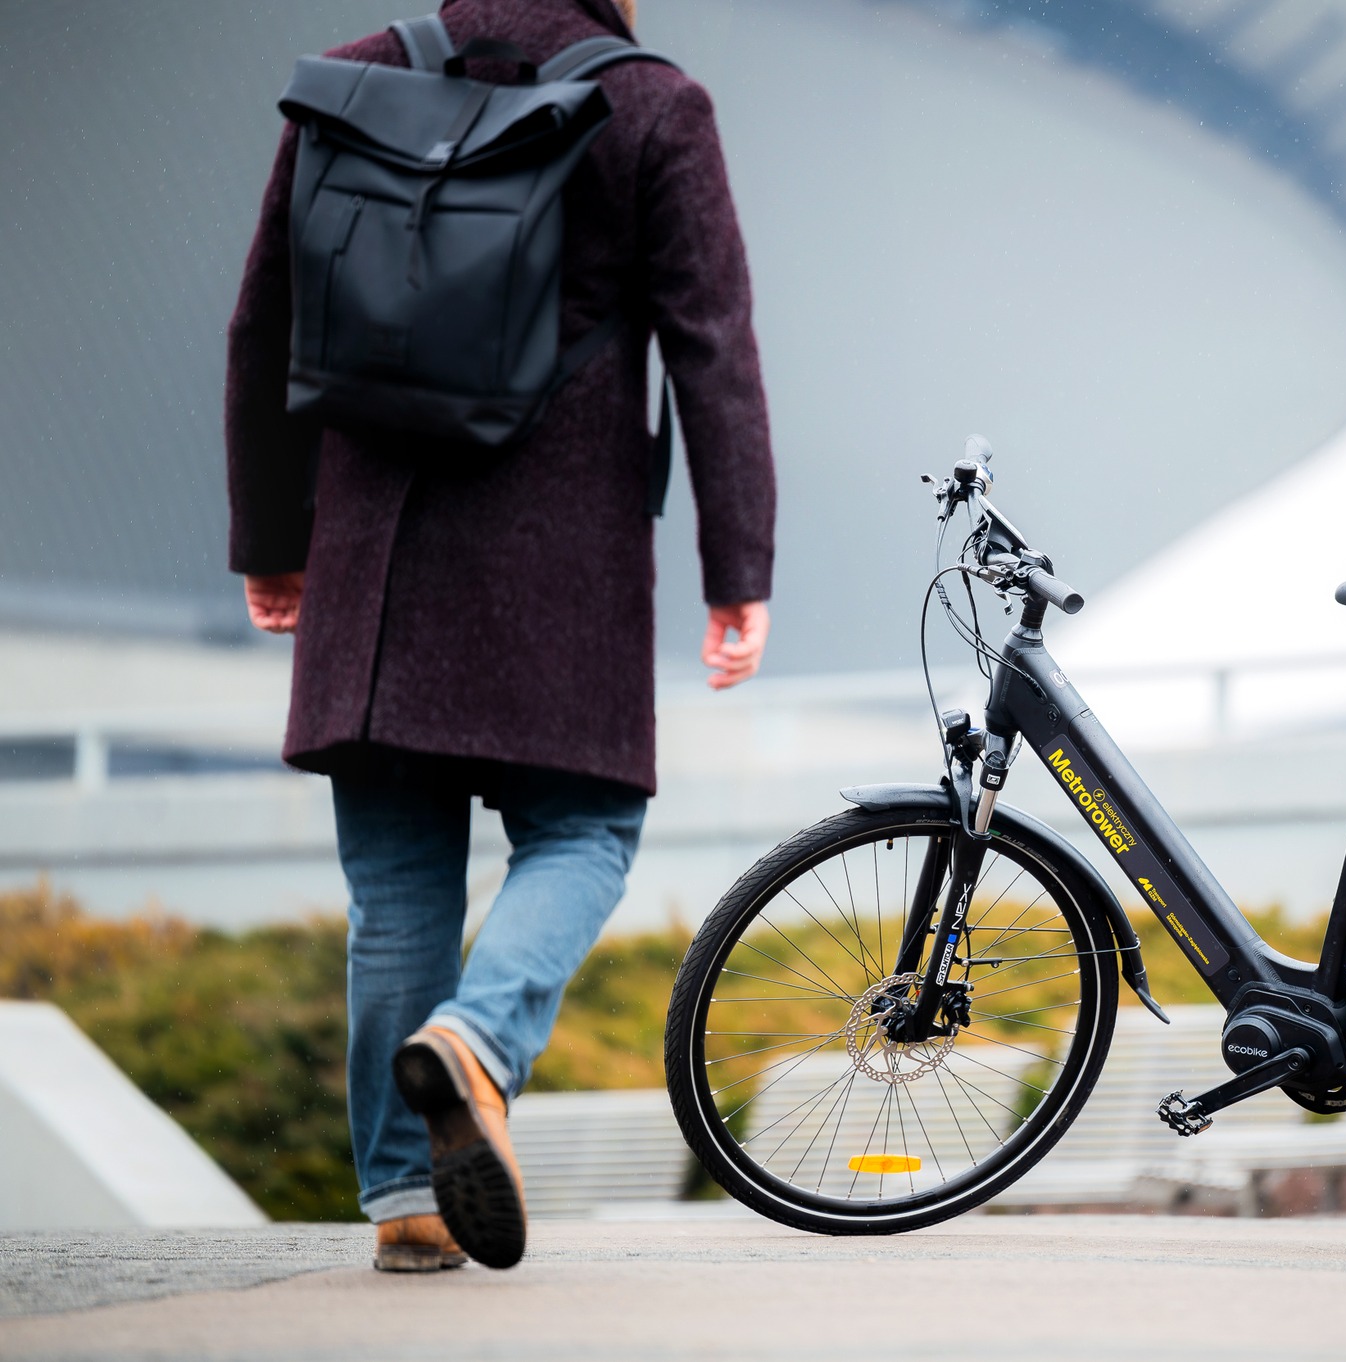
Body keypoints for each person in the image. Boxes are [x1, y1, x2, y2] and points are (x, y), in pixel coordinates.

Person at [224, 0, 774, 1271]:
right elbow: (714, 350)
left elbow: (264, 319)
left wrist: (270, 536)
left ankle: (407, 1207)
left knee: (397, 887)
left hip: (377, 561)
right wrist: (734, 563)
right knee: (583, 832)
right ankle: (478, 1039)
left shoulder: (352, 81)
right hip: (560, 572)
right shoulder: (651, 104)